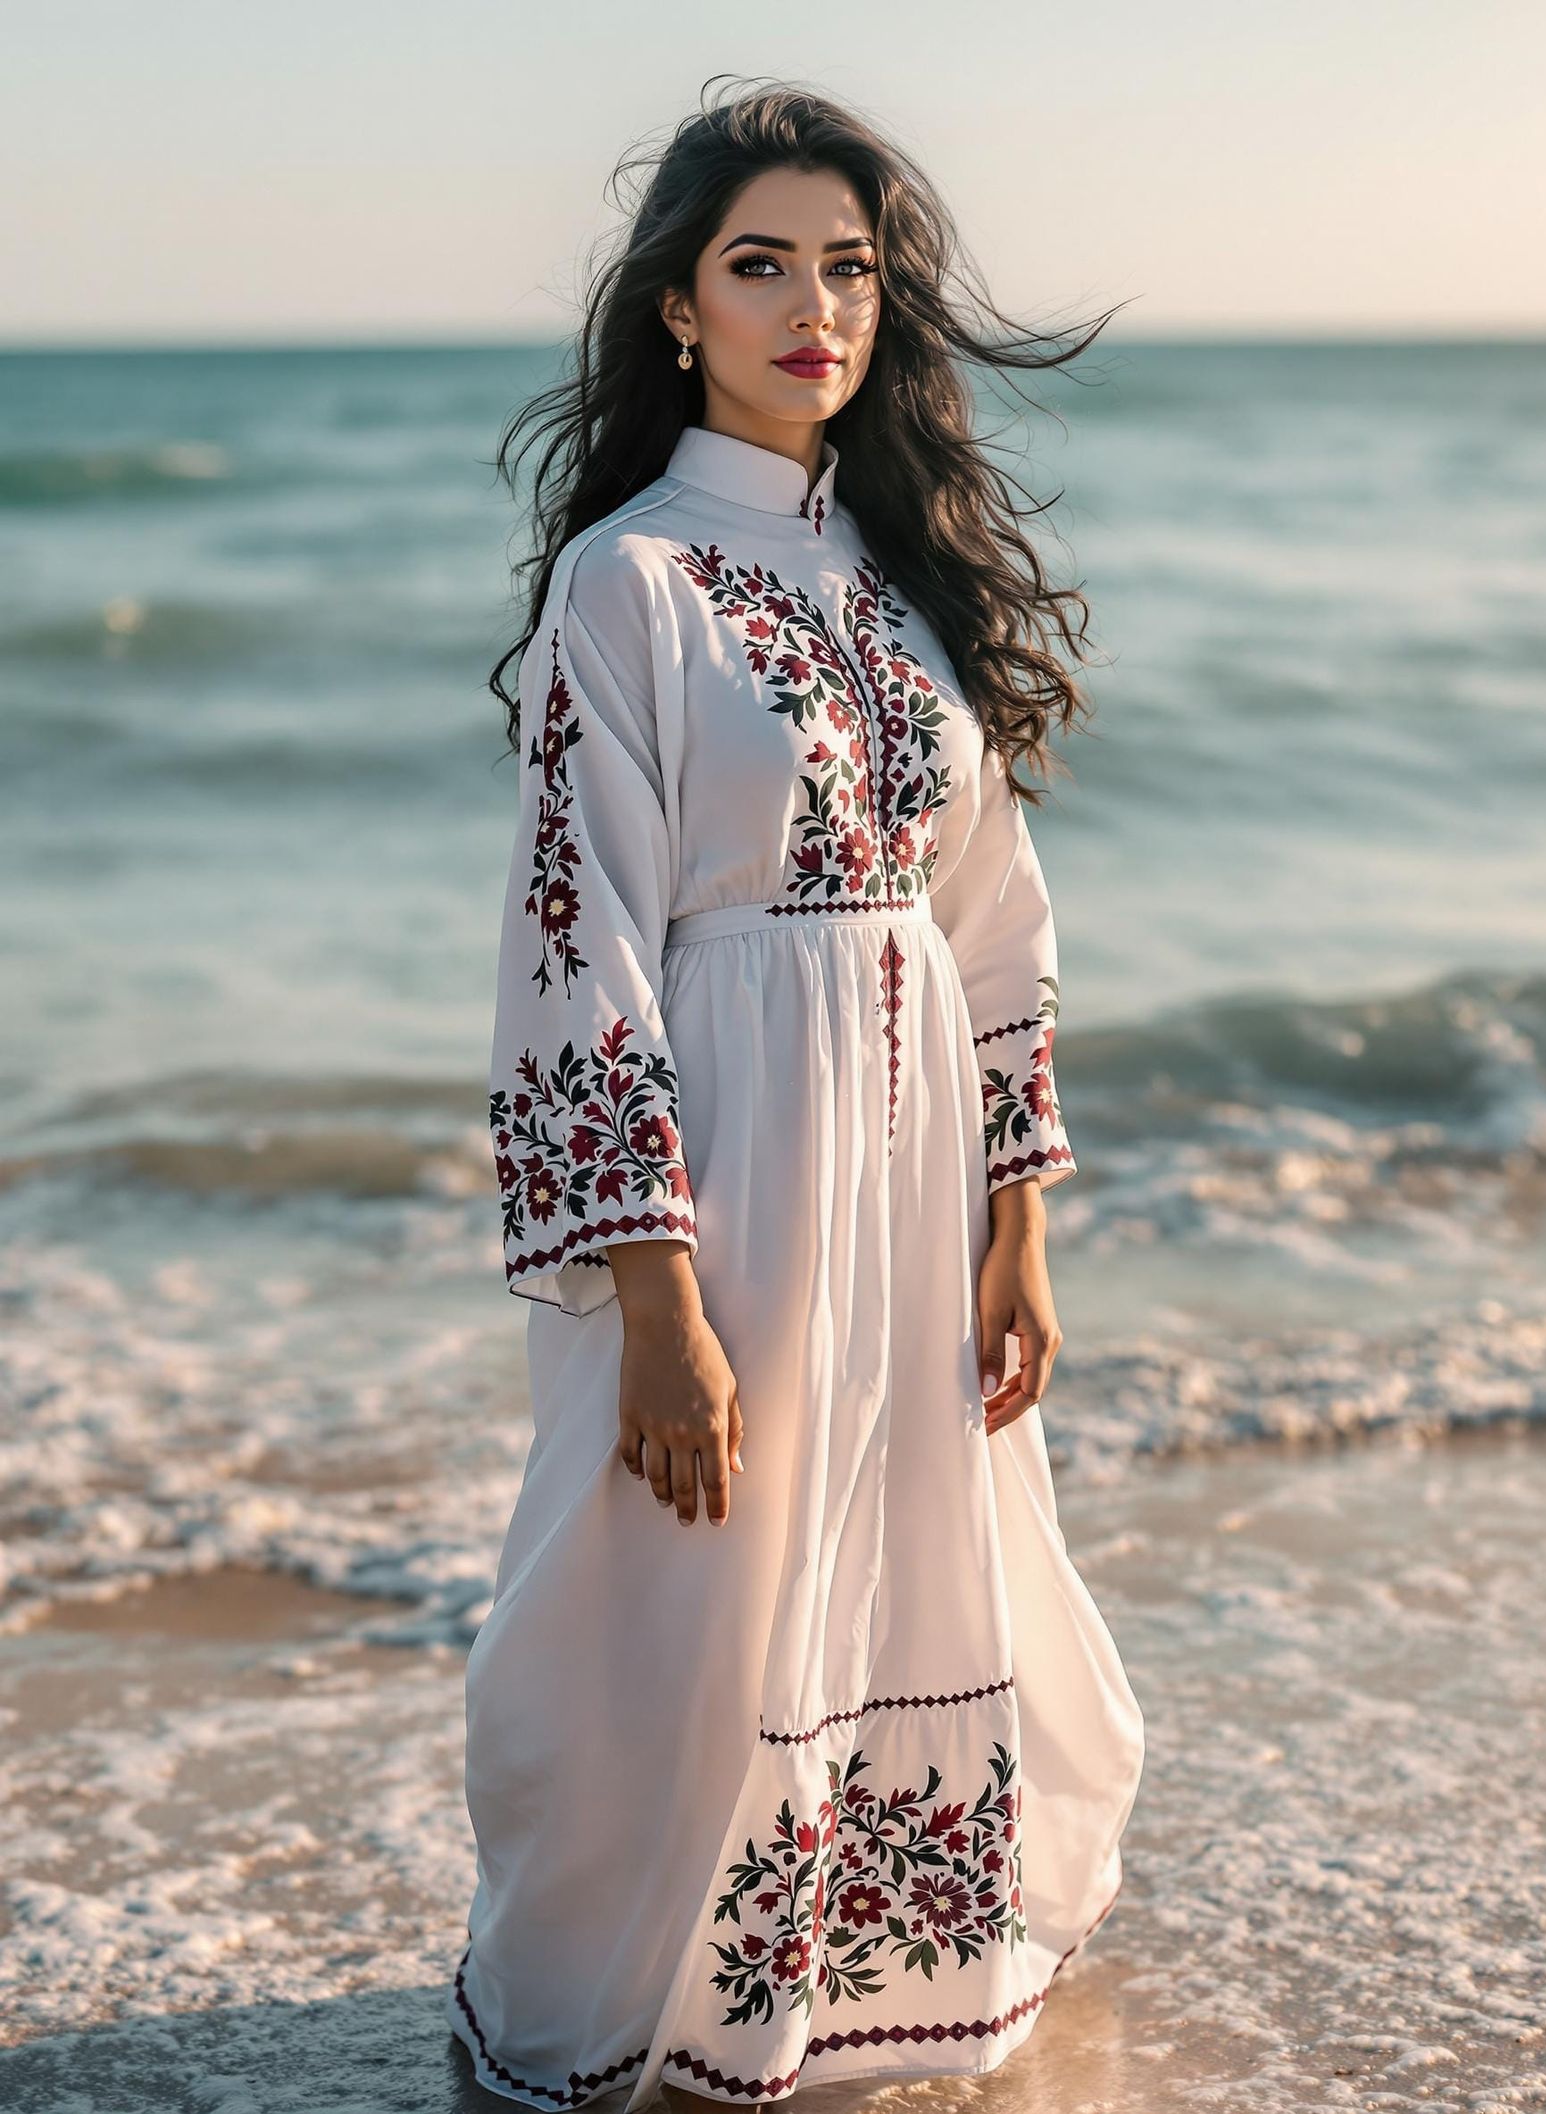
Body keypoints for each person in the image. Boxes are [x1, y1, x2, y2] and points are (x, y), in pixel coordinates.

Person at [448, 77, 1145, 2111]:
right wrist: (655, 1303)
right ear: (678, 307)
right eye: (759, 264)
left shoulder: (900, 580)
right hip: (733, 1177)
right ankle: (655, 1997)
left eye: (843, 267)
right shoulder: (627, 586)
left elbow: (993, 919)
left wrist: (1016, 1226)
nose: (808, 304)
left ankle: (872, 1995)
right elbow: (582, 954)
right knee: (687, 1582)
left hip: (917, 1176)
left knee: (907, 1553)